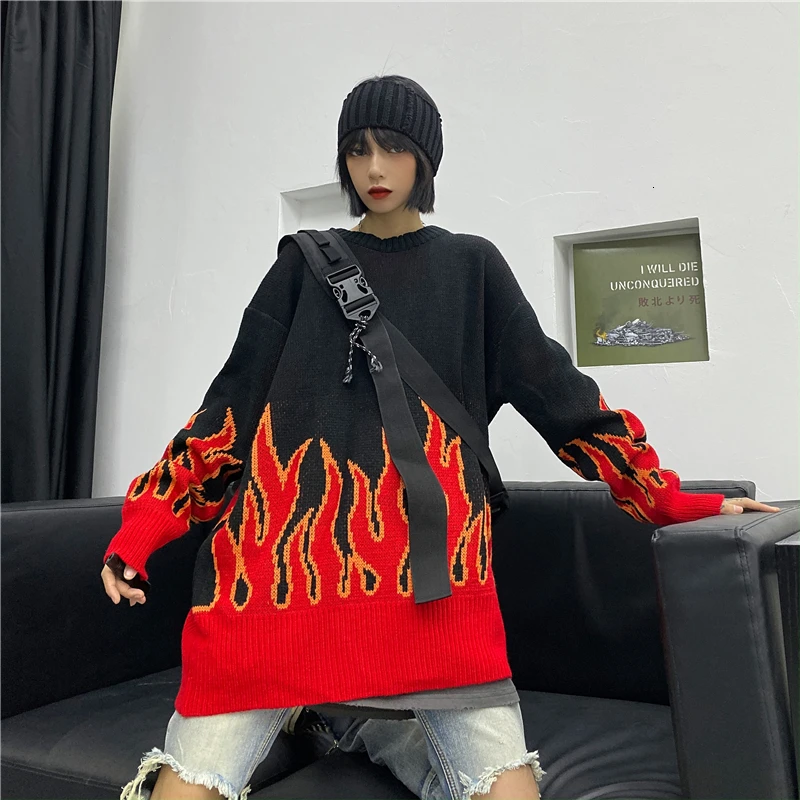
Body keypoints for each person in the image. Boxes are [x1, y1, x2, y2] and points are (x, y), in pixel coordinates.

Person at [101, 74, 780, 800]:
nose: (374, 168)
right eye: (357, 151)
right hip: (271, 596)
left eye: (393, 148)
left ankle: (357, 723)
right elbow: (227, 411)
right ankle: (347, 718)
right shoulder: (300, 267)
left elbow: (563, 399)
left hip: (437, 601)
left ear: (425, 158)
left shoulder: (471, 268)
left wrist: (666, 499)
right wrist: (143, 526)